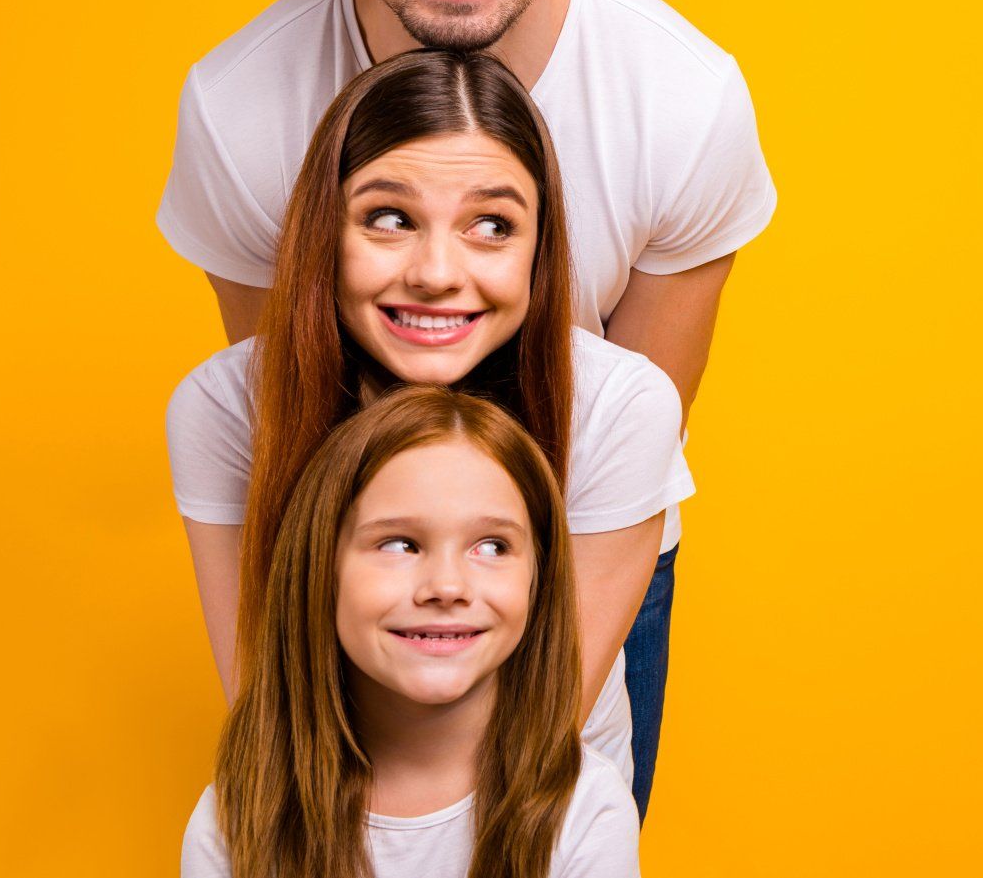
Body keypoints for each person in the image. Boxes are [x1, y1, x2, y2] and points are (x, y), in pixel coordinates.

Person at [158, 0, 774, 812]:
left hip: (579, 520)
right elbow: (284, 405)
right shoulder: (241, 111)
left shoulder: (684, 101)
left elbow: (625, 430)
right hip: (341, 537)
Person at [170, 49, 688, 805]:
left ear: (540, 249)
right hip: (325, 805)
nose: (437, 271)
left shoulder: (619, 405)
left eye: (490, 224)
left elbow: (538, 728)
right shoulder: (224, 409)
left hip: (540, 806)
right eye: (389, 217)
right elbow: (266, 701)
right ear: (325, 231)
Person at [181, 385, 641, 877]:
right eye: (399, 545)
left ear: (538, 580)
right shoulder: (234, 817)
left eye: (492, 547)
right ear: (321, 569)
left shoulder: (586, 809)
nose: (446, 586)